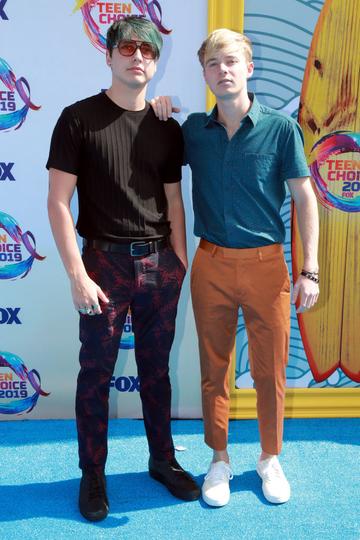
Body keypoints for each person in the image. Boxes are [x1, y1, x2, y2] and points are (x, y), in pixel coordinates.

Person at [151, 28, 319, 507]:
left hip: (268, 267)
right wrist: (159, 108)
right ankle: (219, 459)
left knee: (269, 371)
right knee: (214, 369)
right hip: (212, 263)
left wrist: (310, 269)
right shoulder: (191, 133)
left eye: (231, 61)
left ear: (249, 67)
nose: (222, 70)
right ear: (204, 74)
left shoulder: (281, 130)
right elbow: (153, 158)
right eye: (212, 64)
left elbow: (304, 197)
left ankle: (269, 457)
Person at [47, 16, 200, 522]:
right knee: (96, 374)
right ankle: (92, 475)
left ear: (156, 62)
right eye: (129, 47)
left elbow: (175, 200)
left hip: (159, 263)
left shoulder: (166, 126)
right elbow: (57, 202)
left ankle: (163, 460)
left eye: (149, 51)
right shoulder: (77, 119)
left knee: (156, 372)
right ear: (108, 55)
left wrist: (179, 259)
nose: (139, 57)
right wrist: (76, 273)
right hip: (103, 263)